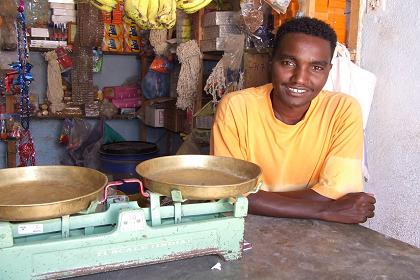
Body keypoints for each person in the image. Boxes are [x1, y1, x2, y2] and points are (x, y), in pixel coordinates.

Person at [210, 17, 375, 224]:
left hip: (319, 234)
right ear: (272, 61)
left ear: (328, 71)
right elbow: (230, 193)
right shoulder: (237, 107)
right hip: (247, 228)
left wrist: (253, 198)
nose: (300, 78)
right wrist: (324, 209)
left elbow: (340, 193)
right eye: (288, 63)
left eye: (316, 68)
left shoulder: (343, 110)